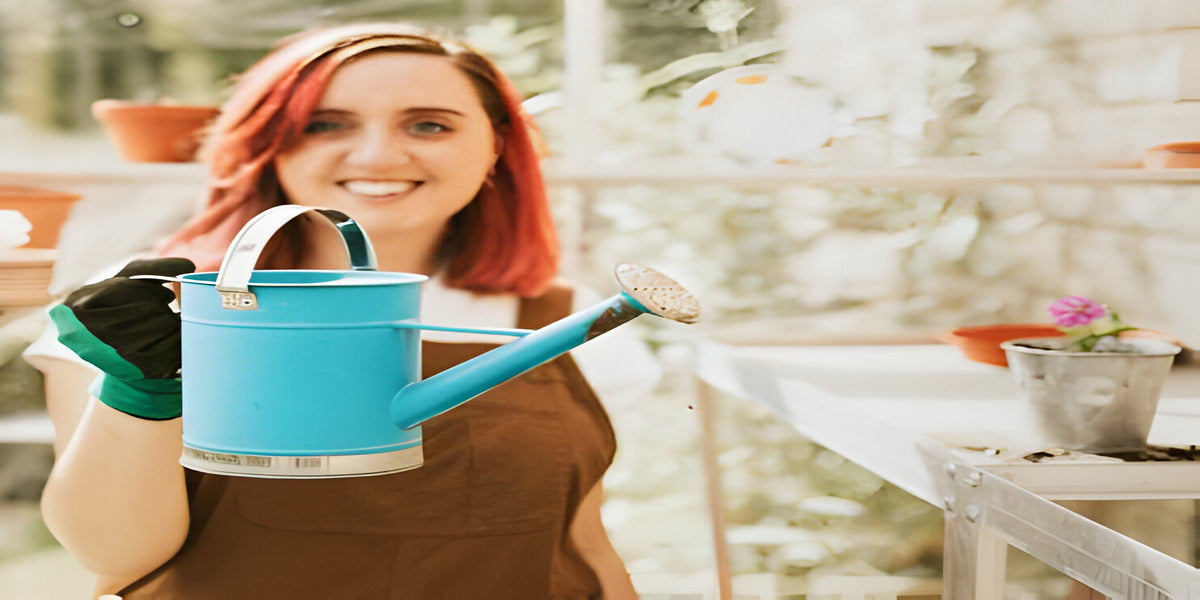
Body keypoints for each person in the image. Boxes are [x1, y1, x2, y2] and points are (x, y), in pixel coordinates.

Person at [25, 22, 660, 599]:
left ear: (495, 147)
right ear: (270, 143)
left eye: (429, 125)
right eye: (325, 124)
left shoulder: (565, 316)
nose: (379, 156)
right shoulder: (154, 303)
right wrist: (140, 392)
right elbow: (113, 556)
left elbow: (580, 543)